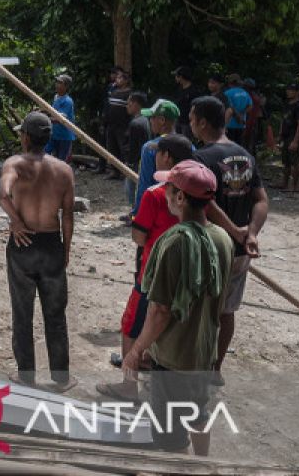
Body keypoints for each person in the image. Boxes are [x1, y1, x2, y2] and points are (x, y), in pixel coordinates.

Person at [122, 160, 233, 455]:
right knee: (197, 413)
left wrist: (135, 351)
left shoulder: (173, 243)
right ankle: (203, 464)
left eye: (168, 189)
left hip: (173, 358)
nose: (164, 193)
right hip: (203, 352)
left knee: (170, 438)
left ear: (181, 198)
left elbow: (159, 311)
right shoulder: (223, 239)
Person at [98, 134, 194, 401]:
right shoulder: (198, 194)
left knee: (132, 324)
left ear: (167, 158)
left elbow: (139, 237)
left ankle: (129, 385)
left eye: (159, 153)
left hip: (151, 272)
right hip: (186, 273)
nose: (157, 157)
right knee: (170, 324)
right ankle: (156, 369)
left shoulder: (155, 194)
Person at [189, 96, 269, 385]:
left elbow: (203, 202)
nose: (190, 124)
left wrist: (237, 231)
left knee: (200, 311)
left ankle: (195, 368)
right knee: (227, 311)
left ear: (202, 122)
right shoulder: (245, 155)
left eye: (192, 118)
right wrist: (251, 233)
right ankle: (215, 369)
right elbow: (261, 200)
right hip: (239, 253)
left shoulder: (201, 158)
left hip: (210, 248)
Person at [0, 112, 75, 390]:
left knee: (22, 312)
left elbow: (4, 195)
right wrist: (65, 249)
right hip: (51, 242)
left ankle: (26, 375)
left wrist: (16, 222)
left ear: (26, 137)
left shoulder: (15, 164)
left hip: (23, 243)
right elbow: (68, 216)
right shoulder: (64, 170)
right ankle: (61, 377)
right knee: (55, 313)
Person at [122, 92, 151, 215]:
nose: (127, 106)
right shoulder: (147, 120)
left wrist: (129, 162)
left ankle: (135, 214)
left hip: (136, 162)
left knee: (132, 188)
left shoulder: (136, 124)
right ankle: (134, 212)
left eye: (129, 103)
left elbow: (134, 147)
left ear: (136, 104)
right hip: (144, 160)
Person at [277, 83, 299, 192]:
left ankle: (295, 186)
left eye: (291, 90)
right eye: (288, 89)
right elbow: (283, 119)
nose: (288, 91)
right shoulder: (287, 104)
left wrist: (295, 141)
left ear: (298, 92)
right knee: (286, 162)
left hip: (293, 136)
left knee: (295, 162)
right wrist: (280, 134)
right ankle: (285, 184)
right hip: (285, 136)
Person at [102, 68, 132, 179]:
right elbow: (108, 107)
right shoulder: (113, 92)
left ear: (126, 80)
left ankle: (125, 171)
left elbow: (130, 111)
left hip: (123, 126)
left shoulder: (129, 94)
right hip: (111, 125)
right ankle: (115, 171)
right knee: (112, 148)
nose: (117, 80)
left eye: (120, 78)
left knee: (123, 149)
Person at [46, 74, 76, 162]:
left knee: (61, 160)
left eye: (60, 83)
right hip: (55, 133)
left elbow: (61, 119)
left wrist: (46, 119)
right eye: (57, 82)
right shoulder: (56, 97)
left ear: (66, 86)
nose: (57, 84)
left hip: (64, 136)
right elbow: (53, 112)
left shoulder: (67, 101)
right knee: (46, 153)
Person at [172, 67, 206, 136]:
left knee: (186, 142)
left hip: (188, 123)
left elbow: (197, 107)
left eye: (176, 75)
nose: (175, 77)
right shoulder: (179, 89)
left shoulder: (194, 91)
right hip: (178, 120)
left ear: (181, 77)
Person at [222, 74, 252, 147]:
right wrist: (242, 114)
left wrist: (236, 115)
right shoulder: (245, 93)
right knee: (239, 146)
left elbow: (229, 107)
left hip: (229, 124)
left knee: (229, 147)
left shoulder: (227, 93)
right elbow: (250, 106)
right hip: (241, 124)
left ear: (229, 83)